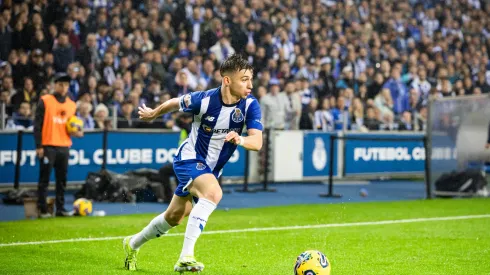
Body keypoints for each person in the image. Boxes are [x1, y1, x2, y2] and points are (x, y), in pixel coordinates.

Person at [123, 53, 263, 272]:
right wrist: (153, 114)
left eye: (251, 79)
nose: (250, 85)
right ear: (227, 80)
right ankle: (185, 257)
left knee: (174, 217)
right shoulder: (205, 100)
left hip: (211, 170)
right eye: (244, 79)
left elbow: (257, 142)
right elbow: (174, 103)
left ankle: (132, 244)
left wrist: (241, 139)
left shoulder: (249, 106)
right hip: (189, 158)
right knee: (213, 194)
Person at [34, 73, 83, 218]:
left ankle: (60, 209)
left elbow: (71, 126)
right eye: (61, 84)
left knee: (62, 180)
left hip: (64, 146)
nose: (63, 87)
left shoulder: (71, 104)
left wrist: (77, 133)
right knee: (45, 179)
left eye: (66, 85)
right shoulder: (45, 101)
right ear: (55, 85)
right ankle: (42, 209)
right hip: (48, 145)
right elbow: (37, 125)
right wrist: (39, 146)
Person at [158, 112, 193, 203]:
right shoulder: (185, 129)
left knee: (176, 174)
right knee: (164, 171)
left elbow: (180, 123)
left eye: (184, 118)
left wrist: (178, 117)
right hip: (182, 160)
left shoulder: (192, 128)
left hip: (189, 161)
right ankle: (170, 197)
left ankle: (179, 198)